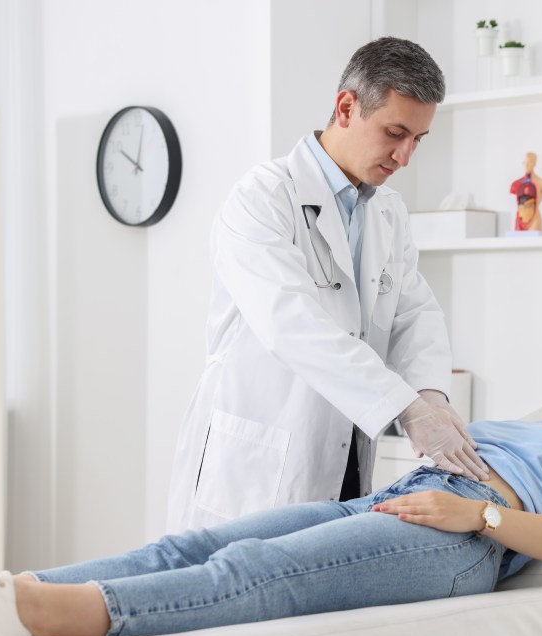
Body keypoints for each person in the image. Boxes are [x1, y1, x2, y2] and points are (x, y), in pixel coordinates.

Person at [0, 314, 542, 636]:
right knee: (191, 544)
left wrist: (478, 512)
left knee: (251, 573)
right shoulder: (520, 421)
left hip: (455, 540)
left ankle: (29, 613)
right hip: (402, 503)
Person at [167, 37, 487, 533]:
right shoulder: (263, 198)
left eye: (418, 139)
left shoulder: (387, 211)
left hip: (346, 454)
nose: (405, 156)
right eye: (395, 133)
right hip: (259, 462)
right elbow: (291, 325)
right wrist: (406, 407)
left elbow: (414, 313)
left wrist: (431, 398)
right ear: (346, 108)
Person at [509, 151, 542, 232]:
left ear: (535, 163)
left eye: (530, 162)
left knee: (533, 238)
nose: (527, 165)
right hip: (520, 219)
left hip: (535, 219)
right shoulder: (516, 184)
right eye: (525, 162)